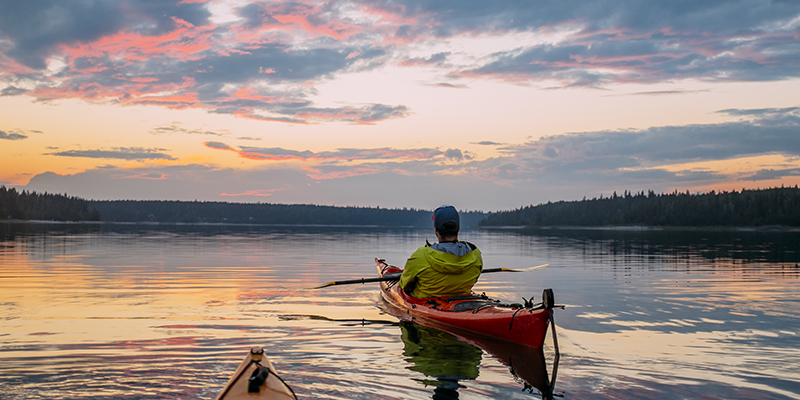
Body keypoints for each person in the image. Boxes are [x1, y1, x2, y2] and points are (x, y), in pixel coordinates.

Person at [399, 205, 483, 298]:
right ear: (458, 227)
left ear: (436, 229)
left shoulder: (421, 256)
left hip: (426, 304)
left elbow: (404, 285)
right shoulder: (475, 255)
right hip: (463, 301)